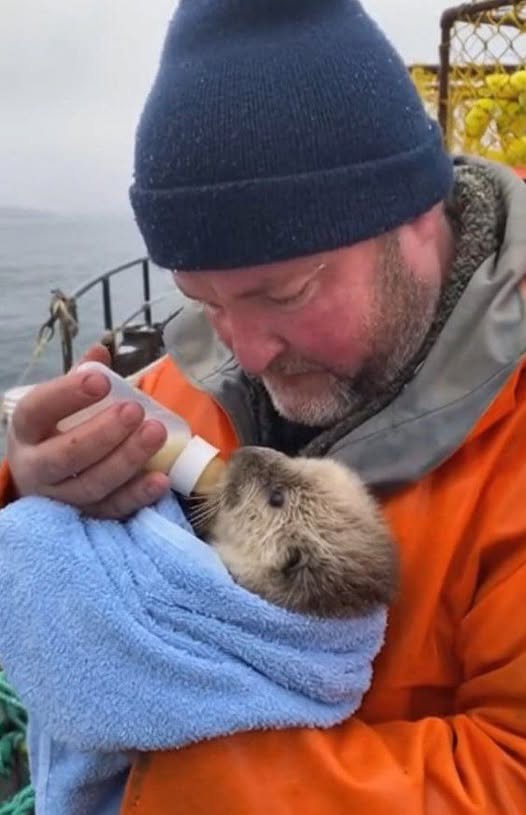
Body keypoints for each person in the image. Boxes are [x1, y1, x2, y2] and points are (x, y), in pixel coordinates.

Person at [2, 0, 526, 811]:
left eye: (284, 293)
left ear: (419, 214)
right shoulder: (190, 379)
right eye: (204, 300)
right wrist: (34, 486)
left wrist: (153, 781)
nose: (243, 354)